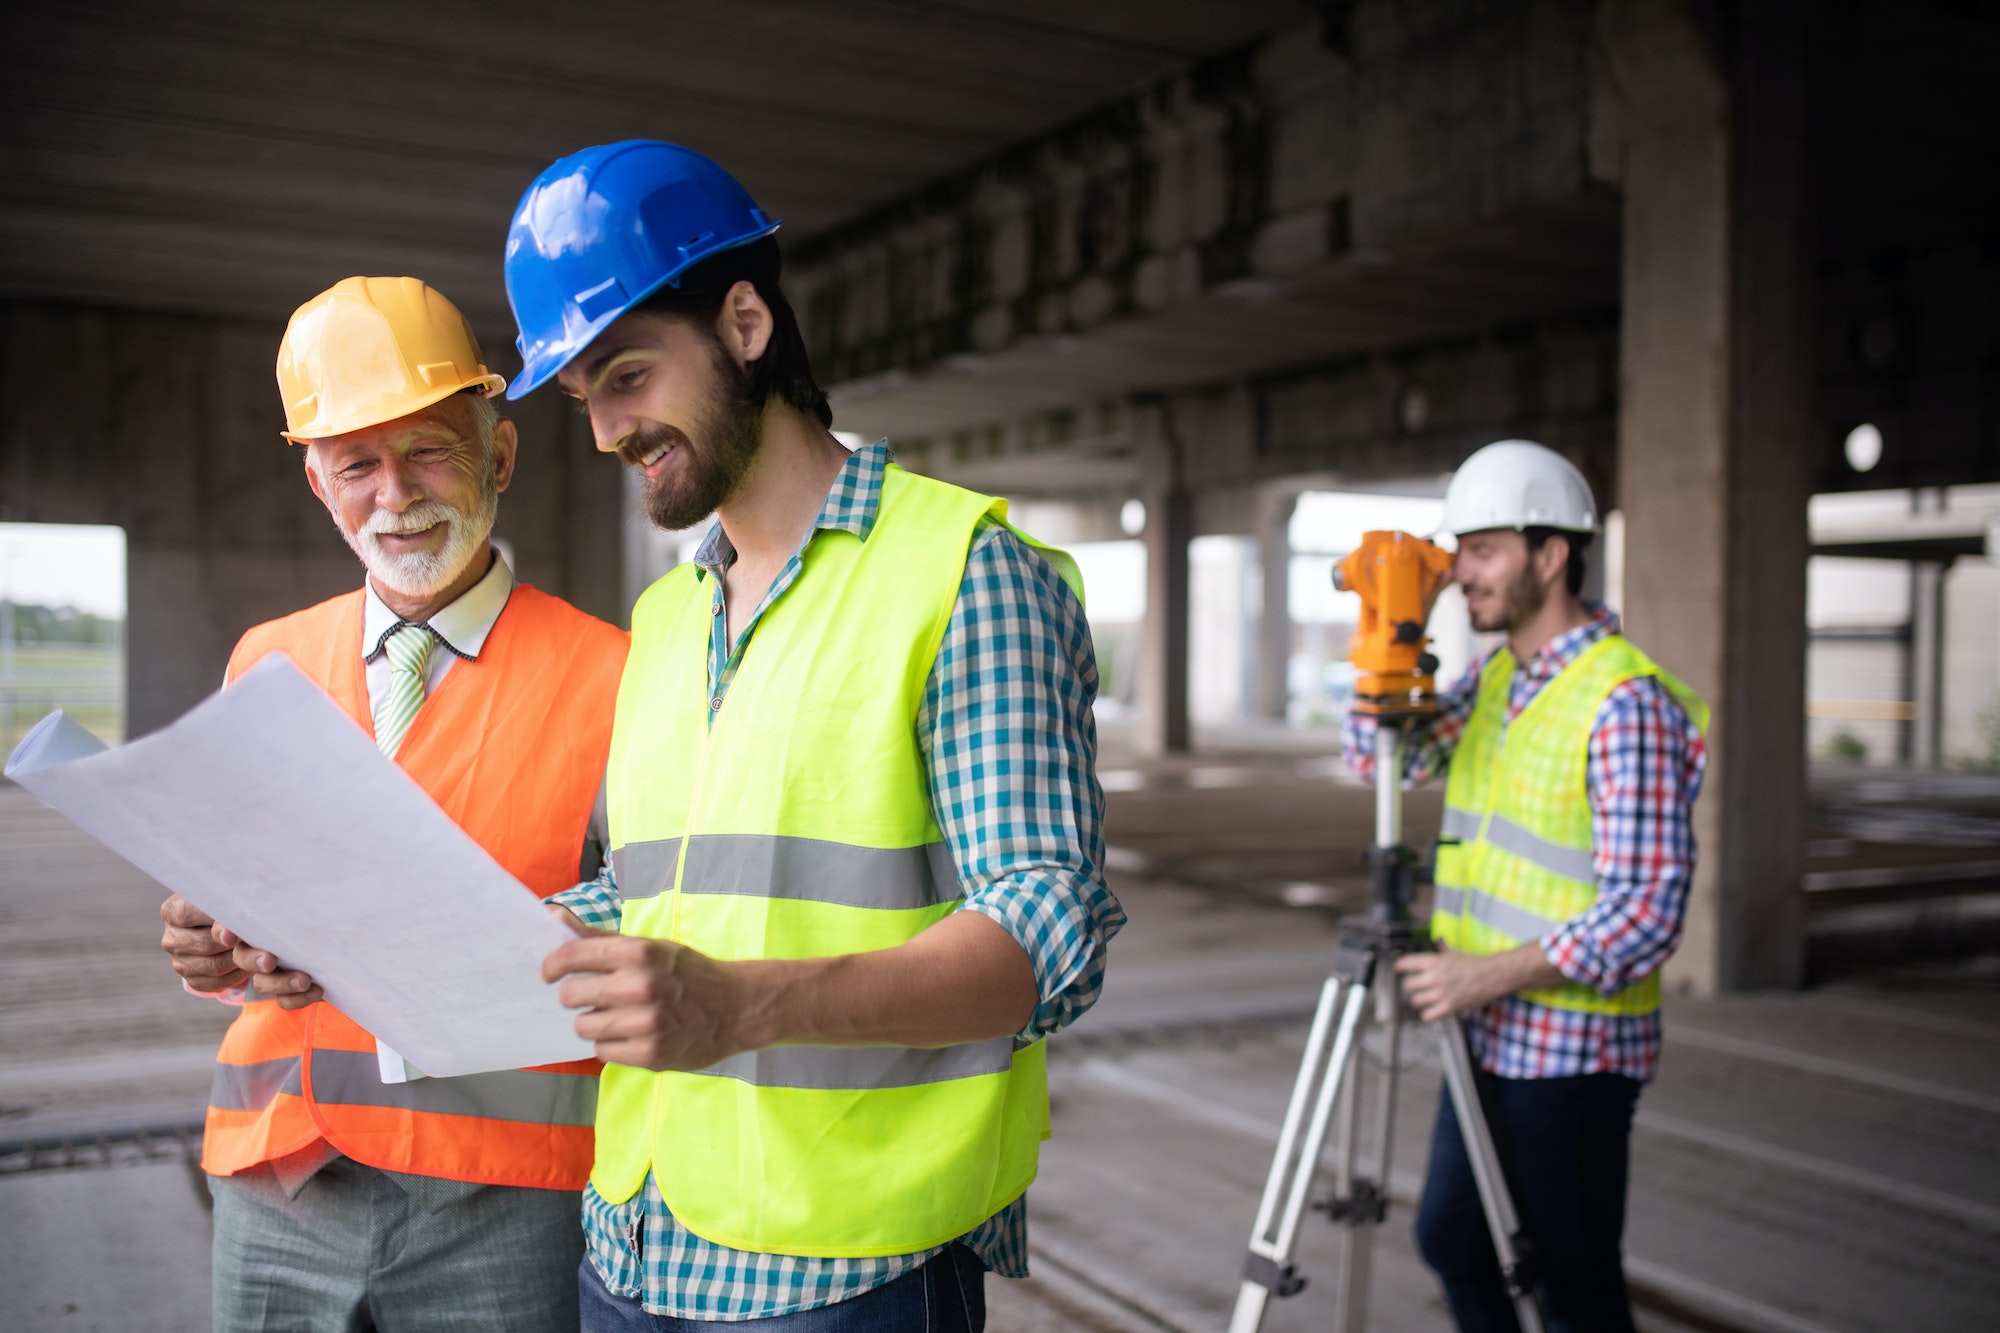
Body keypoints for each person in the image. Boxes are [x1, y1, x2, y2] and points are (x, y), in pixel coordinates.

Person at [502, 140, 1125, 1331]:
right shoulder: (668, 616)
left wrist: (743, 1006)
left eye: (626, 375)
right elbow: (655, 896)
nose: (604, 432)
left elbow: (1049, 932)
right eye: (584, 398)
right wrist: (442, 937)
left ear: (743, 322)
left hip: (848, 1272)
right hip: (631, 1242)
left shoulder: (965, 576)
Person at [158, 276, 628, 1332]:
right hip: (281, 1178)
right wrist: (213, 940)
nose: (395, 493)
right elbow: (237, 900)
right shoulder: (267, 658)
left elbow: (657, 911)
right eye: (356, 465)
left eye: (428, 451)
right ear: (320, 487)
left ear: (498, 456)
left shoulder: (616, 676)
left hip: (504, 1196)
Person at [1346, 439, 1708, 1333]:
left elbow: (1647, 912)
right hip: (1488, 1038)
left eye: (1482, 549)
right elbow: (1379, 759)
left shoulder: (1624, 702)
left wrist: (1481, 975)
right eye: (1454, 549)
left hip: (1573, 1048)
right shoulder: (1498, 678)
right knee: (1457, 1244)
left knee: (1572, 1284)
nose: (1458, 570)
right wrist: (1395, 625)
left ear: (1551, 555)